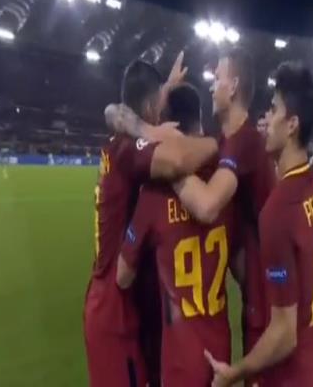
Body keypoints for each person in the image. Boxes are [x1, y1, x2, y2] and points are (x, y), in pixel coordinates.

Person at [84, 54, 218, 387]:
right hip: (114, 309)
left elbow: (116, 111)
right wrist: (218, 144)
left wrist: (166, 88)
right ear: (148, 108)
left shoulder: (123, 140)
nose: (163, 114)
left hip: (118, 299)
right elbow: (175, 161)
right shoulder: (130, 149)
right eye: (159, 105)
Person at [205, 61, 313, 387]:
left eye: (274, 109)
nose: (267, 116)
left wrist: (234, 372)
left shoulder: (277, 211)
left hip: (292, 376)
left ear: (292, 125)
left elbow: (284, 334)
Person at [116, 83, 237, 386]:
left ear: (168, 125)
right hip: (221, 354)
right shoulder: (225, 181)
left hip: (180, 362)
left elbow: (122, 276)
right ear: (198, 119)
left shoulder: (154, 194)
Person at [172, 48, 276, 386]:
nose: (212, 85)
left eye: (217, 78)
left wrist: (171, 172)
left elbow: (206, 206)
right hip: (257, 297)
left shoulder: (246, 142)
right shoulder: (227, 142)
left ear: (233, 87)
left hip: (270, 303)